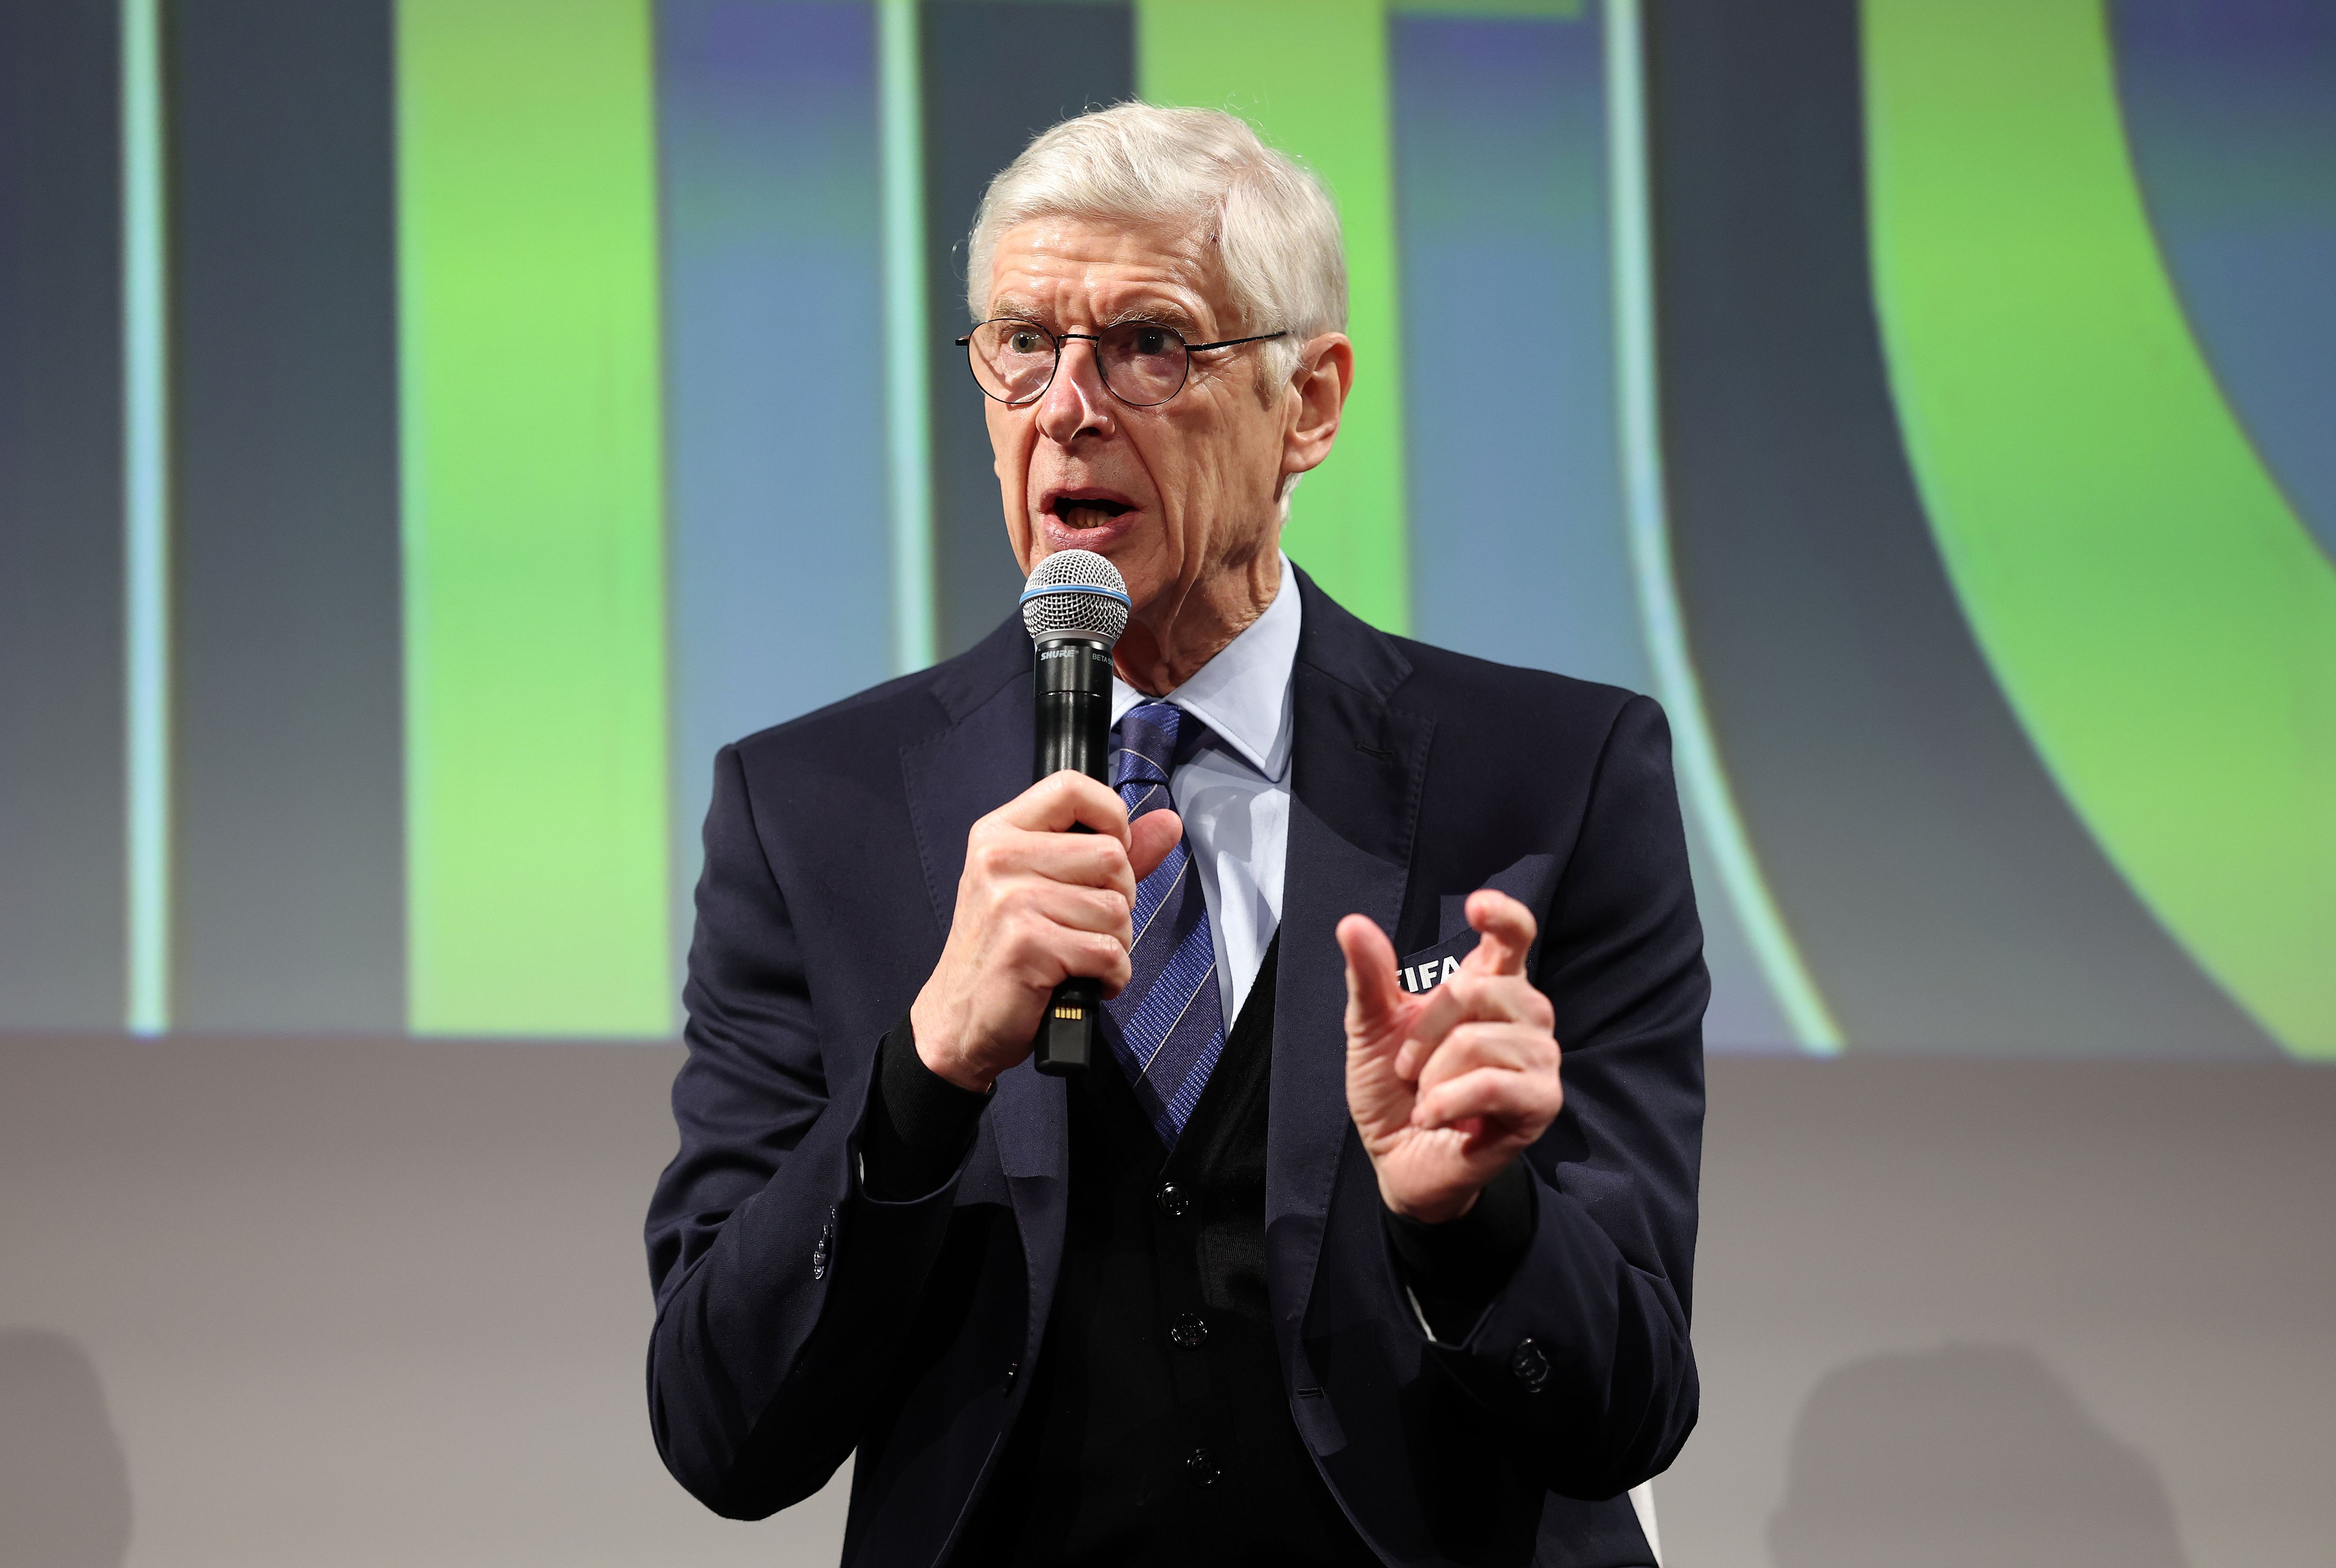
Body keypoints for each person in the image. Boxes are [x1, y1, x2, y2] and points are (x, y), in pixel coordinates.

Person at [645, 103, 1705, 1568]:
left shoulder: (1551, 779)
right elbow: (721, 1430)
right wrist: (927, 1069)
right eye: (1021, 342)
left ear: (1310, 405)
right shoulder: (808, 808)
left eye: (1150, 345)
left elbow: (1628, 1406)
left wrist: (1470, 1220)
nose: (1066, 406)